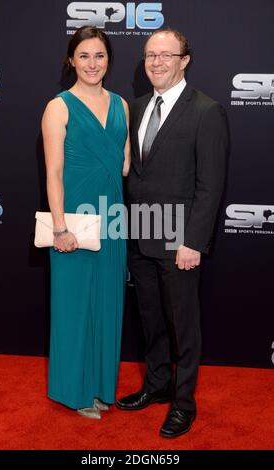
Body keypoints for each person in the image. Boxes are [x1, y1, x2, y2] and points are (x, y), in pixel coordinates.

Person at [116, 29, 228, 437]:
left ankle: (184, 403)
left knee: (183, 325)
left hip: (180, 239)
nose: (157, 62)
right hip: (141, 232)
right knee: (151, 319)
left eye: (166, 55)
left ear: (185, 60)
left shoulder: (206, 110)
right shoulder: (137, 107)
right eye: (150, 55)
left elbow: (210, 184)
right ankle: (157, 385)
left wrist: (193, 241)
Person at [42, 26, 130, 419]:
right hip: (74, 220)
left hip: (111, 217)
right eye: (84, 56)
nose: (92, 64)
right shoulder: (58, 106)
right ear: (71, 60)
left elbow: (125, 162)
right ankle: (74, 391)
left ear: (108, 60)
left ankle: (99, 387)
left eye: (99, 56)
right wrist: (60, 228)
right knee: (74, 306)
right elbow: (54, 172)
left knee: (108, 303)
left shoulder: (122, 106)